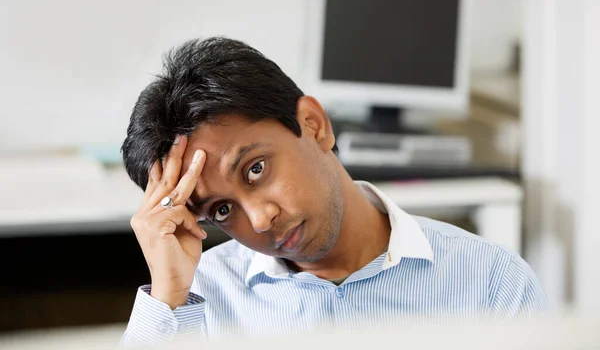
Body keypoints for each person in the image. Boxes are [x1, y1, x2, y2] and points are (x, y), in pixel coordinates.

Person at [119, 37, 552, 346]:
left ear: (313, 125)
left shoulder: (489, 283)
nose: (259, 219)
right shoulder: (202, 300)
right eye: (221, 210)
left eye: (255, 169)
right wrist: (169, 297)